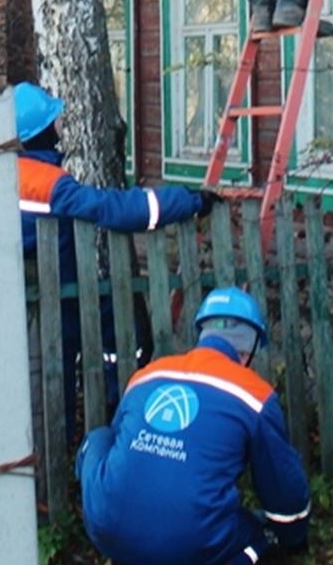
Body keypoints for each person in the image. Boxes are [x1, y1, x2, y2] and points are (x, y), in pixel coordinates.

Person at [76, 286, 310, 565]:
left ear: (202, 333)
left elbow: (124, 440)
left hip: (106, 526)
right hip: (192, 543)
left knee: (99, 438)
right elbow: (284, 492)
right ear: (247, 351)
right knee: (259, 535)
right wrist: (292, 536)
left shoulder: (148, 375)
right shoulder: (254, 395)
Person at [15, 81, 215, 440]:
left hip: (30, 294)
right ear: (43, 129)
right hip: (60, 294)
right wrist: (188, 201)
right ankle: (107, 414)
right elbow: (117, 210)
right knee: (89, 351)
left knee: (46, 378)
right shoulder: (49, 183)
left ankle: (60, 448)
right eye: (54, 118)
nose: (61, 122)